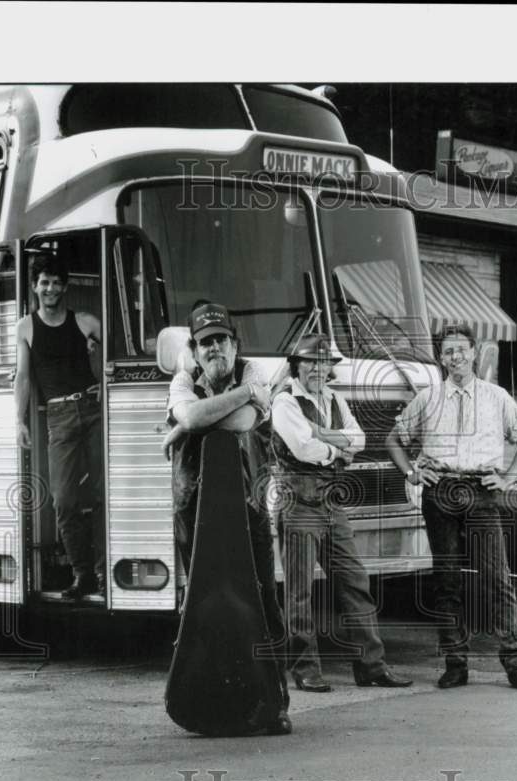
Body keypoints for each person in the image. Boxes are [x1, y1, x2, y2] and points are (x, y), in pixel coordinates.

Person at [386, 323, 517, 692]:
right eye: (448, 351)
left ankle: (515, 661)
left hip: (482, 490)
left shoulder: (496, 397)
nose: (455, 356)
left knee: (496, 578)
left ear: (474, 352)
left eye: (461, 349)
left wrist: (508, 479)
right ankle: (456, 663)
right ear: (441, 358)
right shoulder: (427, 398)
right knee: (447, 581)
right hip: (440, 491)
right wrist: (411, 473)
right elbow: (393, 439)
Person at [166, 301, 291, 736]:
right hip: (194, 508)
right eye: (206, 344)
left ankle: (273, 702)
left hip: (249, 508)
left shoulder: (254, 370)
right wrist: (197, 418)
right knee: (200, 600)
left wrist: (188, 427)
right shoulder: (184, 380)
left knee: (262, 600)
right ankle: (206, 694)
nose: (215, 349)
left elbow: (240, 423)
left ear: (235, 344)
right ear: (195, 351)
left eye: (222, 340)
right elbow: (196, 413)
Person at [271, 334, 412, 693]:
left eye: (323, 363)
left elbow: (362, 440)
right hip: (299, 503)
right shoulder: (285, 402)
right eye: (310, 363)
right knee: (299, 592)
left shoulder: (335, 398)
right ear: (296, 366)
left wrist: (323, 434)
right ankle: (305, 669)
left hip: (332, 503)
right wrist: (338, 449)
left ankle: (371, 666)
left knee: (355, 583)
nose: (318, 369)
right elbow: (303, 448)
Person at [15, 253, 105, 600]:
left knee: (102, 493)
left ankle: (102, 571)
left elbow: (114, 358)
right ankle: (83, 576)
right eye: (44, 282)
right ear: (36, 287)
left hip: (94, 410)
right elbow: (23, 377)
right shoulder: (26, 327)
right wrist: (18, 421)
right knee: (64, 499)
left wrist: (97, 354)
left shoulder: (85, 322)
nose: (50, 288)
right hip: (59, 417)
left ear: (65, 287)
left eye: (56, 282)